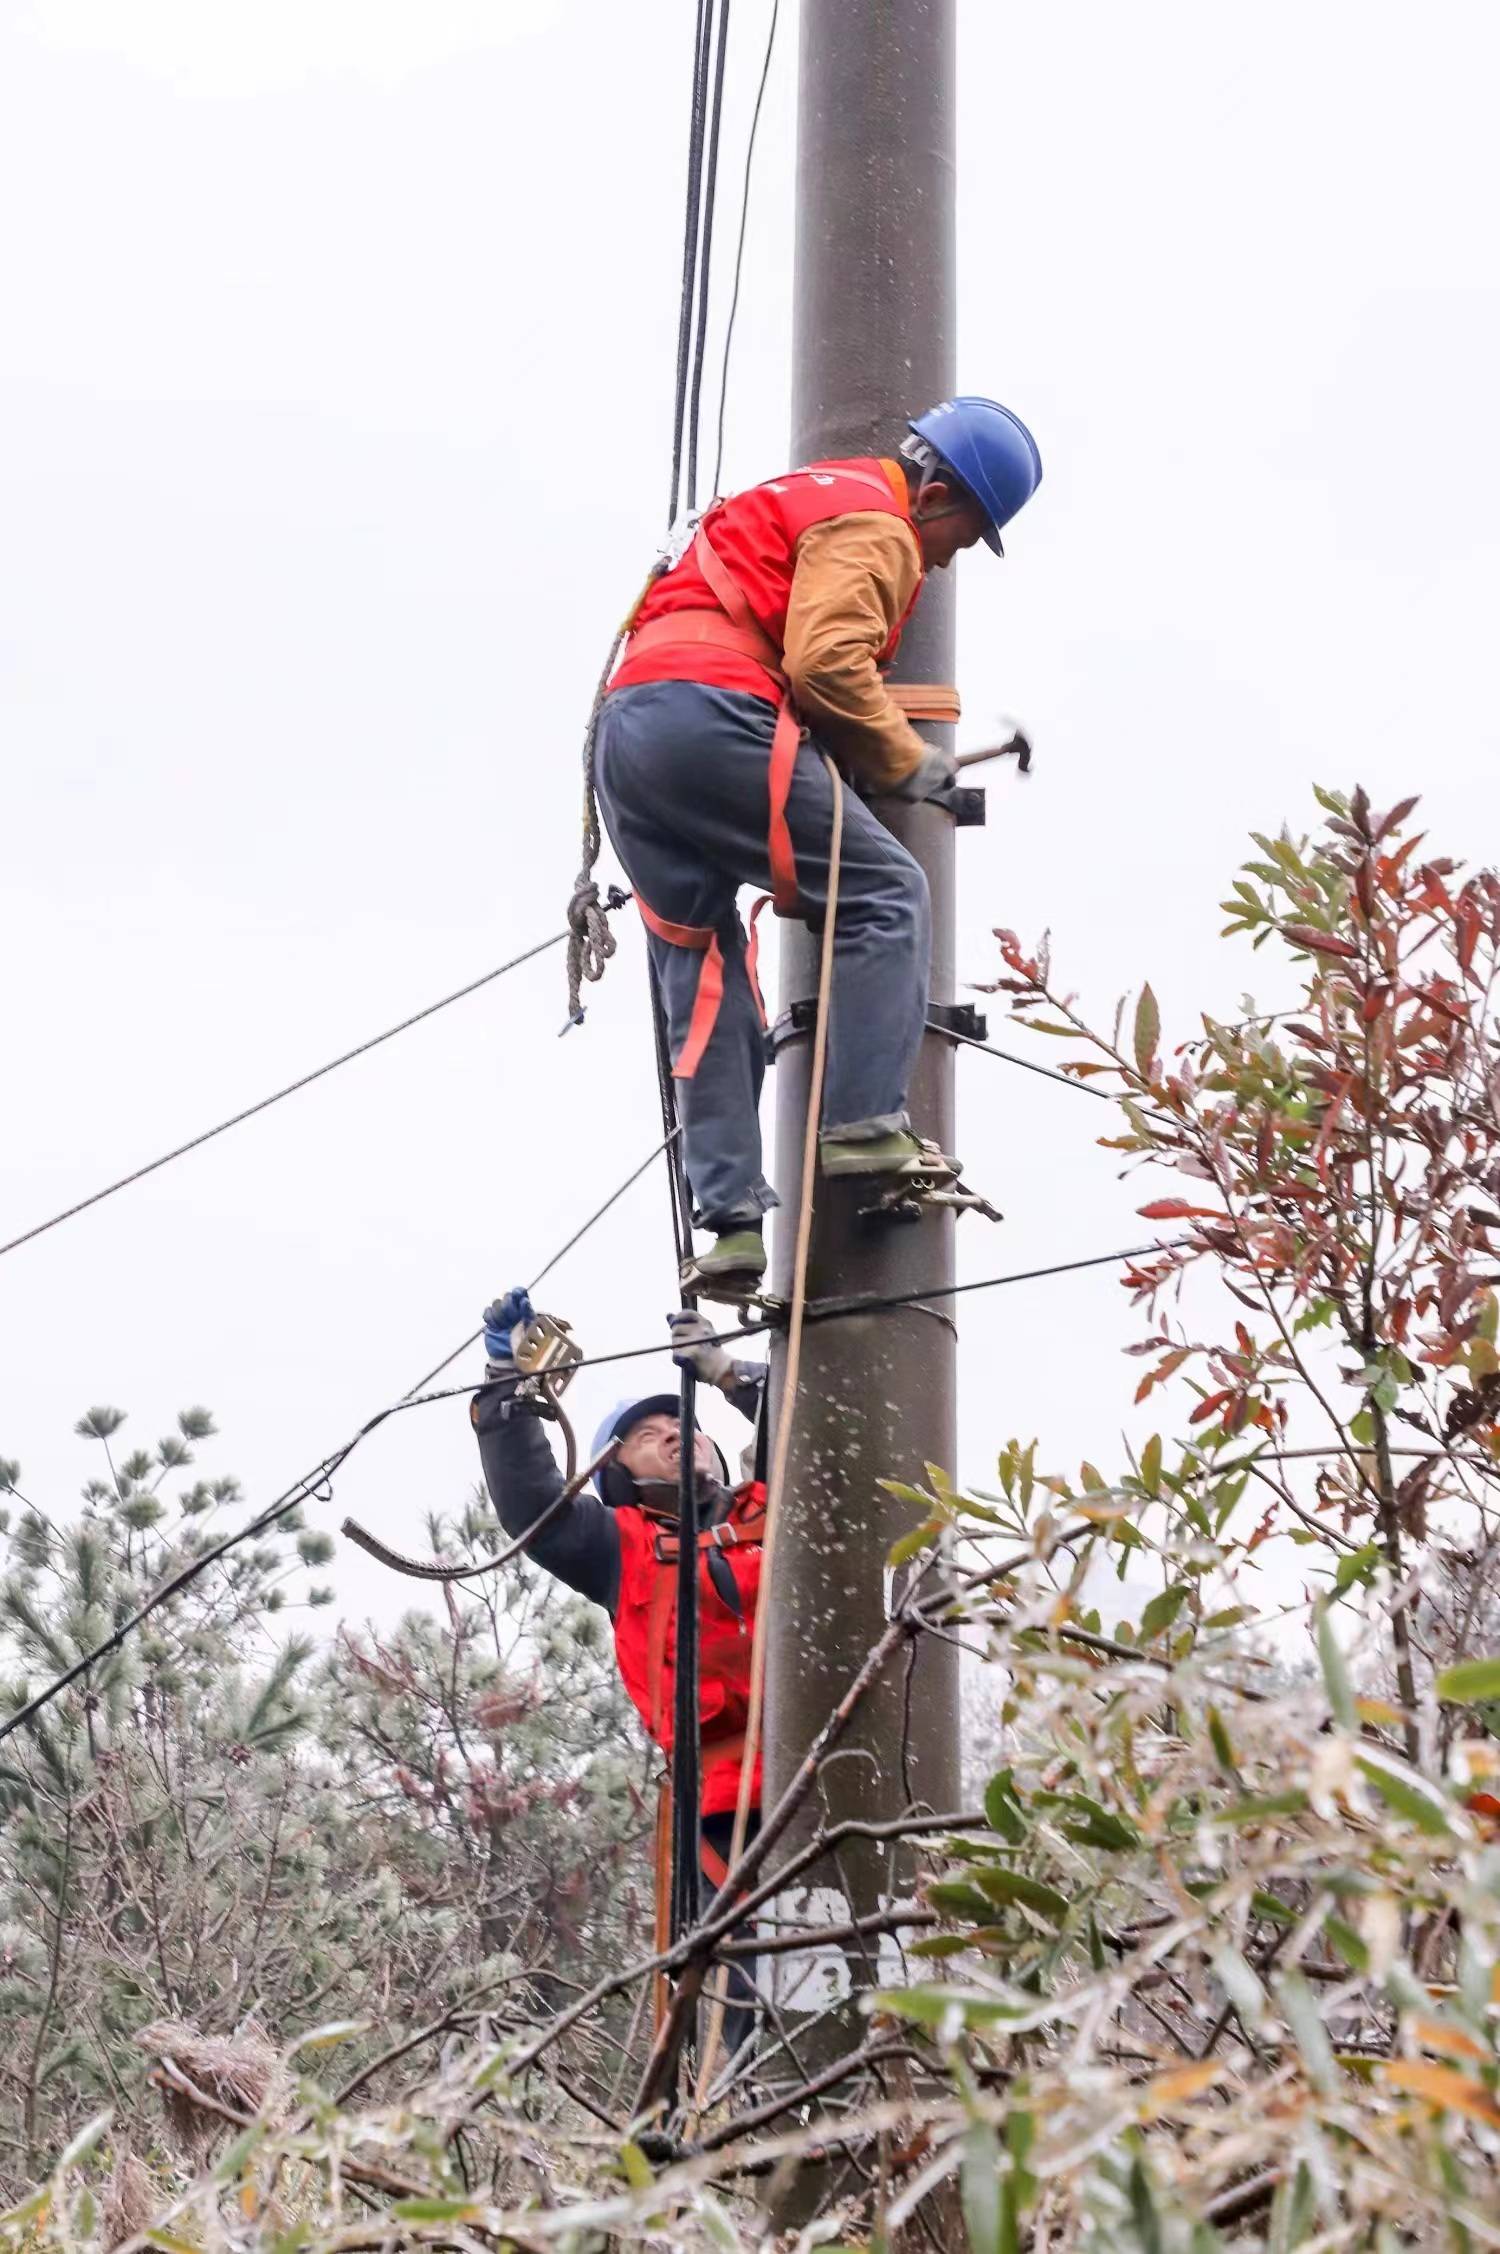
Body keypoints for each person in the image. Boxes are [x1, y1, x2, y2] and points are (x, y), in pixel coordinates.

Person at [597, 395, 1043, 1295]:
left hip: (630, 735)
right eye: (965, 533)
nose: (953, 556)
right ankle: (864, 1127)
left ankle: (727, 1227)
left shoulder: (800, 496)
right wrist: (907, 762)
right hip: (712, 713)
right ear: (939, 491)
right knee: (886, 891)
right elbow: (827, 663)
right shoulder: (877, 523)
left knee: (705, 972)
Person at [471, 1285, 767, 2049]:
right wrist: (507, 1383)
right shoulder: (620, 1547)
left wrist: (733, 1377)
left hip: (837, 1762)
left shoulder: (775, 1508)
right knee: (755, 1984)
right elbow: (531, 1502)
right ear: (617, 1471)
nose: (678, 1435)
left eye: (685, 1425)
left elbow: (825, 1423)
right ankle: (774, 2123)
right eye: (650, 1435)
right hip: (730, 1805)